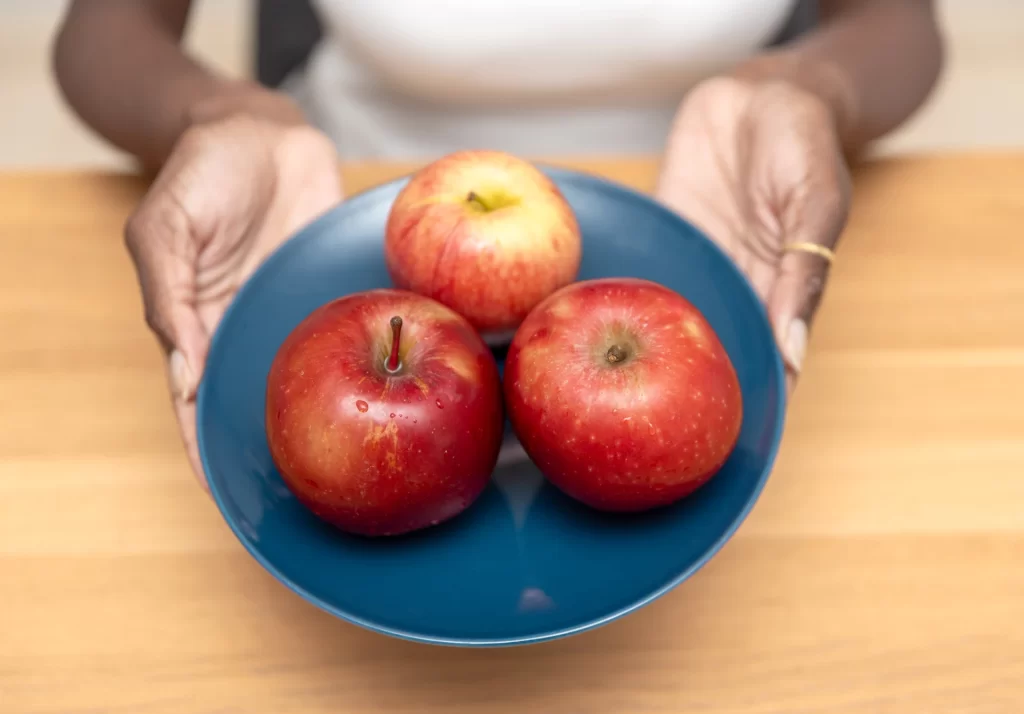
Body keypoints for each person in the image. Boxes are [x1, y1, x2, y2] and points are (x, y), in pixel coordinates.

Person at [53, 0, 944, 484]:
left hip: (702, 201)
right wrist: (221, 113)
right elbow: (104, 26)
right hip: (337, 196)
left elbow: (900, 21)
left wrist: (809, 86)